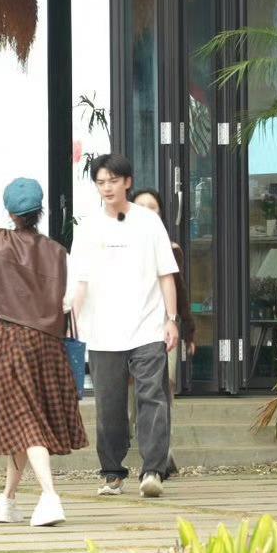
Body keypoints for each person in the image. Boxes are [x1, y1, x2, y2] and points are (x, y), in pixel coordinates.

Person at [0, 178, 88, 527]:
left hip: (10, 342)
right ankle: (9, 499)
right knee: (25, 422)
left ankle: (46, 496)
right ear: (40, 210)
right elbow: (69, 302)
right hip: (48, 345)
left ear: (11, 212)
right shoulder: (58, 253)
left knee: (26, 423)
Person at [72, 154, 179, 498]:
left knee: (152, 398)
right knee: (109, 407)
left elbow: (166, 274)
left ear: (127, 182)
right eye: (101, 182)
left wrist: (171, 319)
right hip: (102, 332)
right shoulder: (88, 227)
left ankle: (153, 470)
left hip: (148, 326)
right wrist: (71, 322)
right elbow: (79, 281)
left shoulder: (149, 222)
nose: (107, 188)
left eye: (113, 181)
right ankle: (112, 472)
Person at [133, 188, 196, 475]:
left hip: (163, 329)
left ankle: (162, 457)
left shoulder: (171, 249)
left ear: (161, 214)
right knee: (133, 398)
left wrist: (189, 331)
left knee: (163, 392)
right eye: (140, 206)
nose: (147, 211)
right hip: (127, 332)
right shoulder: (118, 246)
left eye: (153, 207)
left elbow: (180, 292)